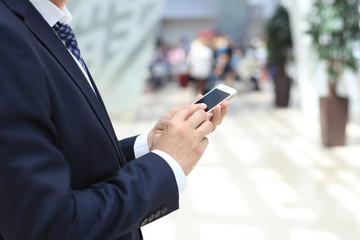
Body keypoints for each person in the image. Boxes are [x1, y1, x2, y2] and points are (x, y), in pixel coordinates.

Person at [0, 0, 230, 240]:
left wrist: (149, 146)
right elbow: (50, 225)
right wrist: (165, 163)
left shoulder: (46, 25)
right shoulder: (8, 35)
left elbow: (66, 160)